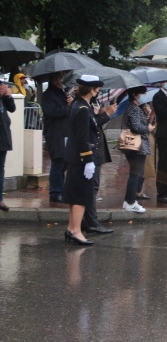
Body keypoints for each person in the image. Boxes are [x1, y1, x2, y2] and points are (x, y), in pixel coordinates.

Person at [63, 75, 104, 245]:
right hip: (82, 159)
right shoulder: (82, 109)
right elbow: (82, 137)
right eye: (97, 89)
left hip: (76, 158)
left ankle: (72, 228)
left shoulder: (79, 105)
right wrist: (88, 159)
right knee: (81, 197)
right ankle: (76, 230)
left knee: (76, 196)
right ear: (92, 90)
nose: (98, 92)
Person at [81, 93, 116, 234]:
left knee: (91, 187)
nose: (97, 92)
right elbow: (92, 125)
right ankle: (91, 222)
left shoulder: (90, 104)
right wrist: (106, 115)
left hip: (95, 149)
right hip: (90, 151)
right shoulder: (82, 106)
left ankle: (86, 220)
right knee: (91, 188)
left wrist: (101, 113)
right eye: (96, 89)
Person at [41, 71, 71, 203]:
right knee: (58, 162)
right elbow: (52, 112)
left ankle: (62, 190)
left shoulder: (63, 94)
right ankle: (55, 192)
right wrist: (67, 107)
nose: (63, 81)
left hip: (65, 132)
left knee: (64, 162)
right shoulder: (48, 95)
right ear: (55, 80)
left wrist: (70, 102)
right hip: (55, 133)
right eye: (61, 78)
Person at [122, 86, 153, 213]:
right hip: (136, 146)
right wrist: (148, 129)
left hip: (139, 146)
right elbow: (136, 127)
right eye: (143, 93)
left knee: (137, 173)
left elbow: (139, 123)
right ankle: (130, 201)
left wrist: (146, 115)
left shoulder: (137, 108)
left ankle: (128, 201)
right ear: (135, 95)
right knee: (135, 174)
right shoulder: (133, 108)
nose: (145, 95)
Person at [0, 83, 16, 211]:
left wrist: (8, 96)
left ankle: (0, 199)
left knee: (1, 169)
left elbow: (12, 108)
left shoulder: (2, 88)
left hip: (3, 135)